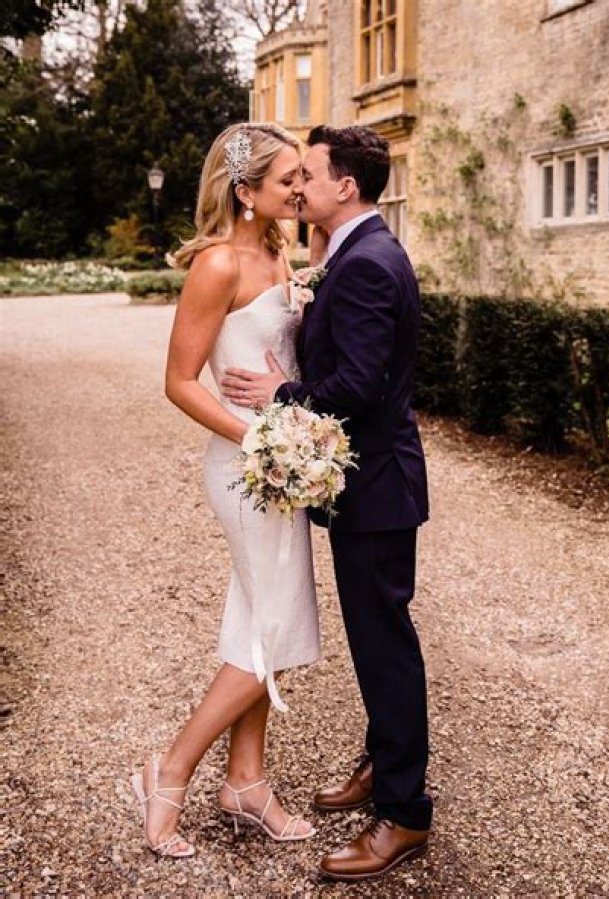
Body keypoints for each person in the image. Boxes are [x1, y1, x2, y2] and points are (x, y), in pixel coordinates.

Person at [222, 124, 432, 882]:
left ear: (346, 185)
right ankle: (382, 762)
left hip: (377, 487)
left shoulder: (368, 262)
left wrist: (283, 391)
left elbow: (361, 387)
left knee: (385, 645)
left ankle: (405, 812)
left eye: (309, 173)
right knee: (376, 639)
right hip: (368, 485)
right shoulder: (352, 251)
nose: (299, 185)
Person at [130, 122, 320, 858]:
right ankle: (171, 770)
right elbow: (179, 382)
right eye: (286, 180)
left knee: (258, 618)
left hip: (285, 463)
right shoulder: (216, 265)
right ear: (244, 190)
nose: (299, 189)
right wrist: (260, 441)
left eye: (301, 176)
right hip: (248, 467)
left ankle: (247, 782)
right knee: (275, 625)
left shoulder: (277, 251)